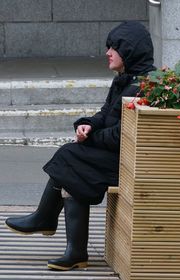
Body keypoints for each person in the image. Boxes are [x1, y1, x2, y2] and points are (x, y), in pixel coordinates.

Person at [4, 21, 156, 271]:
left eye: (113, 47)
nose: (107, 53)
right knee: (74, 166)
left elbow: (125, 134)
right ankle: (70, 246)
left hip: (129, 163)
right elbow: (105, 113)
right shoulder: (125, 80)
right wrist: (88, 125)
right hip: (113, 157)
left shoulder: (143, 86)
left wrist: (92, 138)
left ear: (128, 50)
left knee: (70, 157)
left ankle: (49, 222)